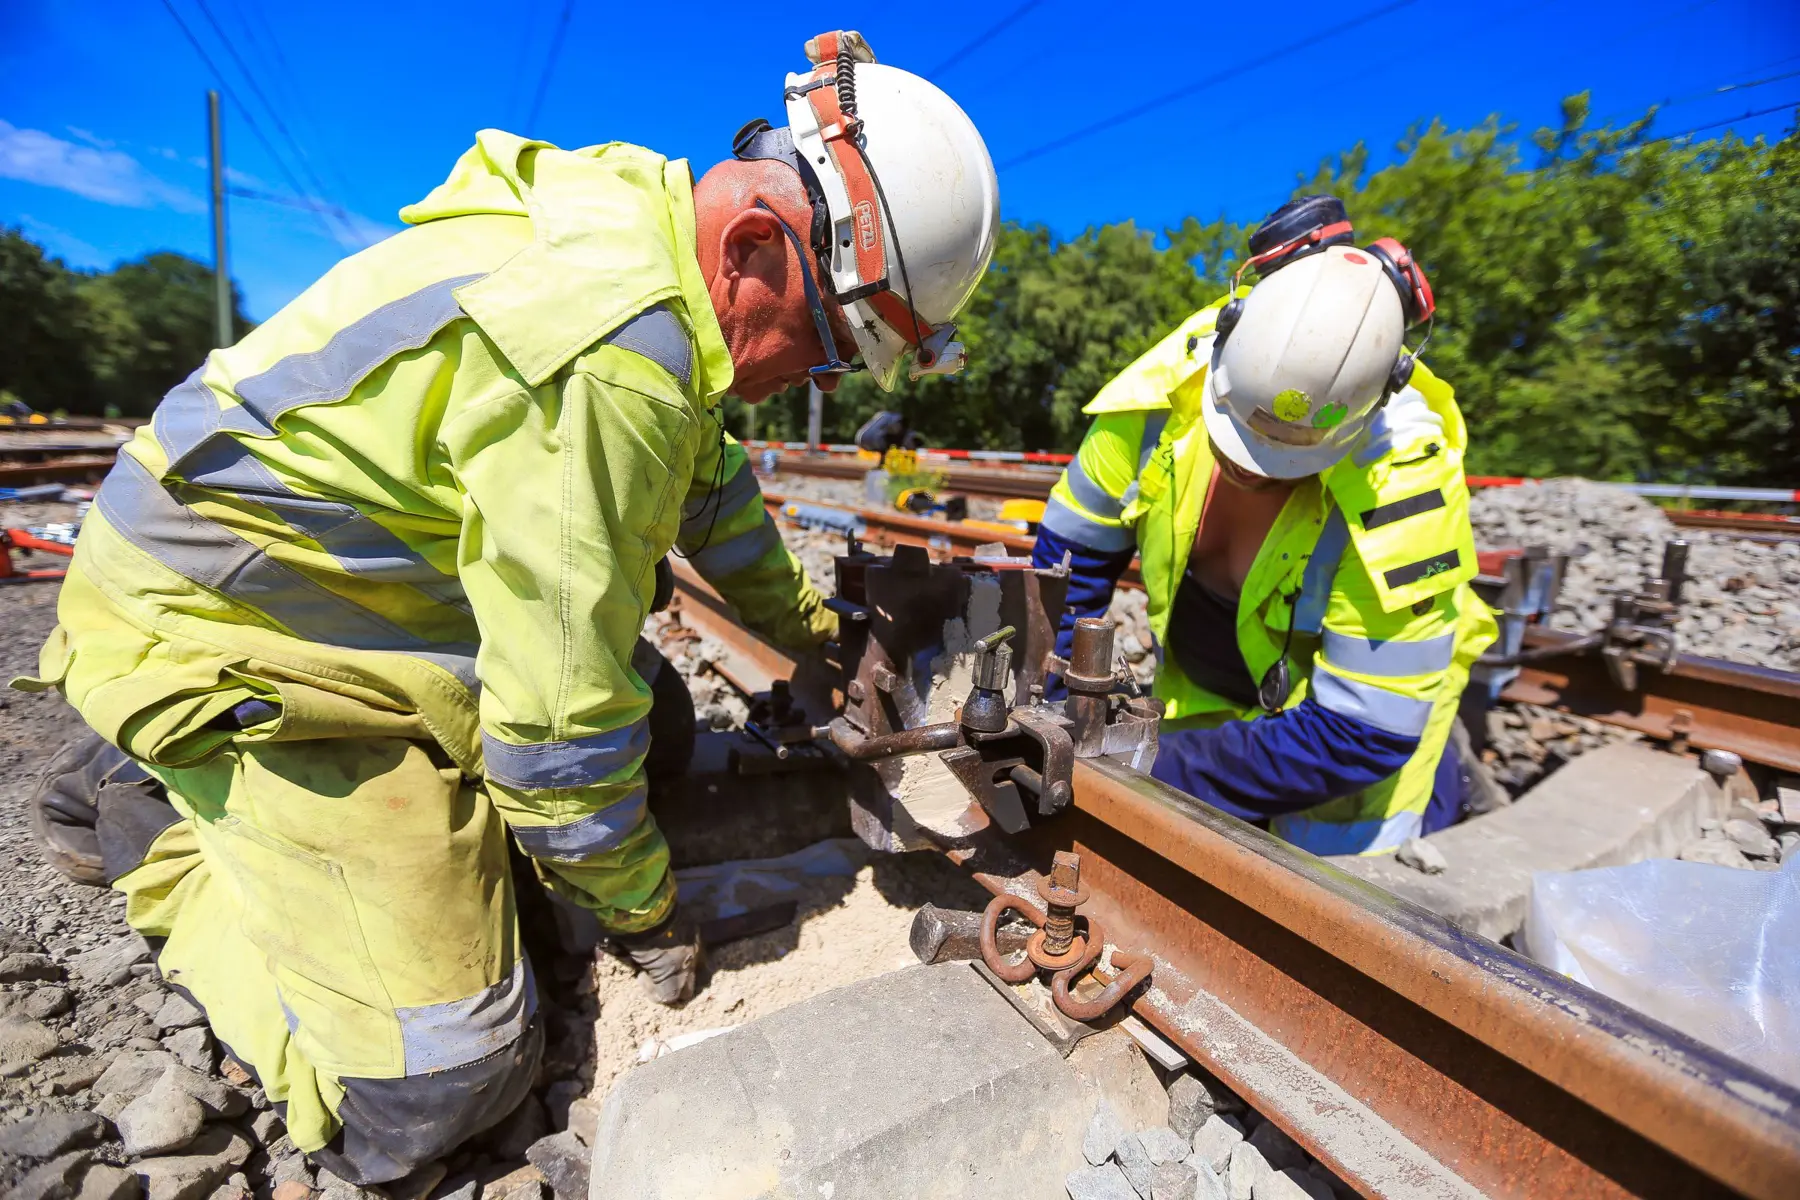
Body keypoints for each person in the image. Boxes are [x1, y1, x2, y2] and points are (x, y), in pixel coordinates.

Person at [15, 30, 998, 1184]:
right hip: (227, 630)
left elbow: (712, 489)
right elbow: (559, 749)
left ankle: (277, 792)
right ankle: (143, 805)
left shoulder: (647, 237)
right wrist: (647, 915)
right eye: (829, 351)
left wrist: (816, 639)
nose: (814, 383)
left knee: (659, 730)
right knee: (447, 1075)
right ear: (751, 249)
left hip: (349, 599)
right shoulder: (606, 360)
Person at [1031, 196, 1496, 855]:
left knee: (1340, 915)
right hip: (1202, 710)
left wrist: (1142, 767)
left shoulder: (1407, 477)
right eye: (1239, 438)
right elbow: (1064, 569)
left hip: (1344, 782)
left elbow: (1364, 733)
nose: (1253, 468)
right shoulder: (1163, 393)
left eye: (1286, 460)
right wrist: (1052, 716)